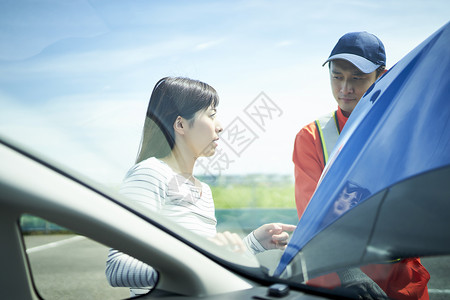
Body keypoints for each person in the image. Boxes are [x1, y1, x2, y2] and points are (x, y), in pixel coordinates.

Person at [106, 77, 296, 296]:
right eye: (211, 115)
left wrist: (253, 243)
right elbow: (118, 267)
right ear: (180, 125)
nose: (221, 126)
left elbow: (208, 259)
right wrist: (199, 256)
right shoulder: (149, 173)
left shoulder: (203, 190)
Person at [292, 32, 430, 299]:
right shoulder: (312, 137)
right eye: (337, 76)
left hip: (403, 280)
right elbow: (312, 216)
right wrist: (349, 273)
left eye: (357, 78)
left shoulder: (409, 131)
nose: (345, 88)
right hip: (338, 282)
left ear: (382, 75)